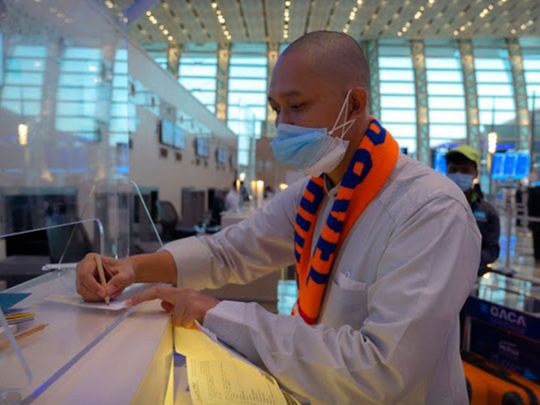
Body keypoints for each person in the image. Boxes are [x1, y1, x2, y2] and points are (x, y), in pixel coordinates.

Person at [76, 31, 481, 404]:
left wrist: (211, 309)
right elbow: (229, 253)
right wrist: (130, 268)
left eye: (297, 106)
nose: (282, 125)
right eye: (276, 109)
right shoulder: (315, 193)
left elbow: (381, 368)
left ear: (354, 104)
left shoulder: (429, 210)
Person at [445, 145, 500, 276]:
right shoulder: (434, 205)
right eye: (453, 169)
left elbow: (492, 249)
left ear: (475, 173)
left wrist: (468, 260)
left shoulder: (487, 212)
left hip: (471, 277)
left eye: (465, 170)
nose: (458, 174)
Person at [528, 180, 540, 266]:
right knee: (536, 239)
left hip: (535, 221)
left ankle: (537, 258)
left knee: (536, 240)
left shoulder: (534, 191)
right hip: (536, 221)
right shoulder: (534, 191)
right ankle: (537, 258)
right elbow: (530, 205)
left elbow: (530, 205)